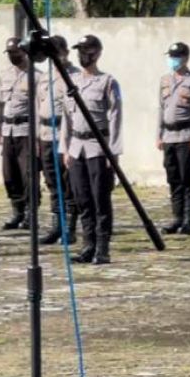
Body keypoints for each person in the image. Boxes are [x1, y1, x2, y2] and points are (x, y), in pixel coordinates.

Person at [66, 35, 122, 265]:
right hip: (77, 147)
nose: (82, 55)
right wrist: (65, 149)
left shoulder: (108, 81)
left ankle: (102, 248)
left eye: (87, 51)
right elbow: (66, 118)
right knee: (83, 200)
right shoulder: (73, 81)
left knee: (101, 199)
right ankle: (87, 245)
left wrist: (114, 152)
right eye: (80, 50)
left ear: (97, 53)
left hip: (98, 148)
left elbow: (116, 116)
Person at [156, 42, 190, 235]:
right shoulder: (165, 80)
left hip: (187, 136)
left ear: (185, 58)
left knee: (188, 178)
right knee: (173, 178)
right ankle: (176, 217)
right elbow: (161, 108)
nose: (172, 60)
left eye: (176, 56)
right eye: (170, 56)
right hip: (169, 136)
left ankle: (189, 220)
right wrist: (159, 134)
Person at [36, 34, 78, 245]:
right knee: (52, 182)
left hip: (64, 134)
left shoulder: (74, 76)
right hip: (45, 134)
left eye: (58, 52)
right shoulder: (44, 76)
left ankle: (69, 228)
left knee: (67, 182)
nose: (55, 57)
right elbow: (37, 106)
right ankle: (56, 226)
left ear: (66, 52)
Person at [0, 36, 36, 230]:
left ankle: (30, 213)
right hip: (8, 130)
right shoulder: (4, 75)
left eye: (15, 53)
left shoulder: (35, 76)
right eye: (10, 53)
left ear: (24, 52)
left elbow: (39, 106)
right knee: (9, 174)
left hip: (26, 130)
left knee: (28, 174)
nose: (12, 56)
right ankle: (17, 212)